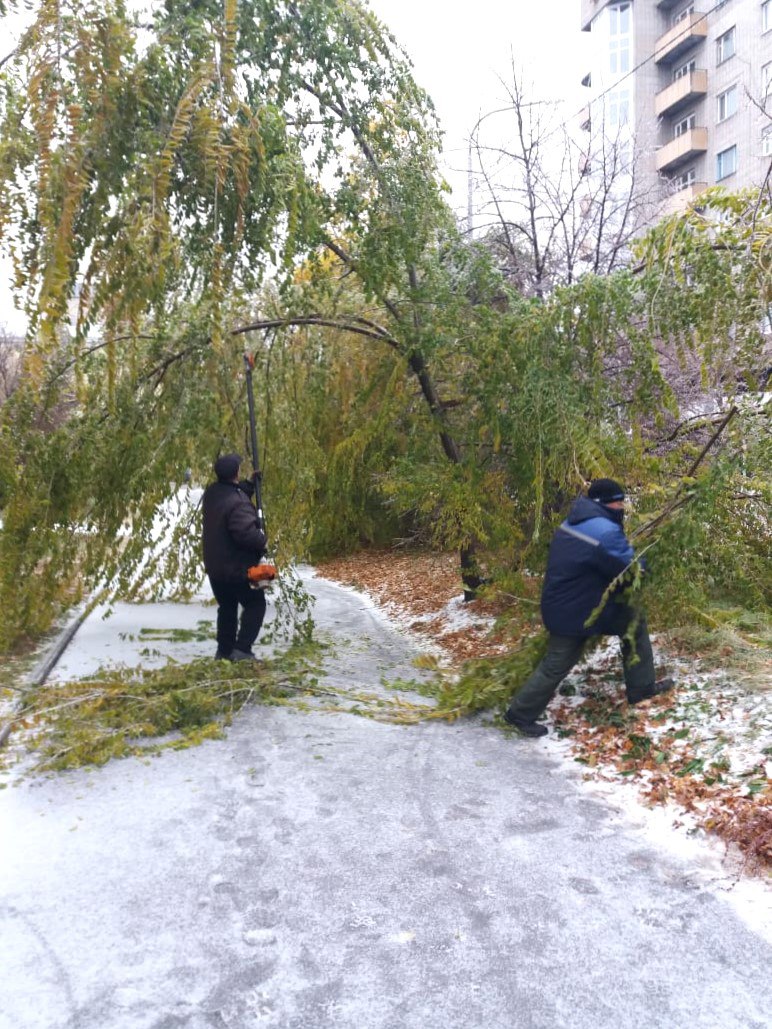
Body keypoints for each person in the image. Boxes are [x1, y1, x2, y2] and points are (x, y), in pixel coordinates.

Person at [504, 478, 673, 737]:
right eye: (619, 502)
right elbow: (630, 568)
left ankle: (642, 688)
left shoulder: (574, 522)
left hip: (571, 603)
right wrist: (646, 559)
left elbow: (598, 564)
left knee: (632, 622)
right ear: (604, 503)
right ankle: (519, 714)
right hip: (576, 610)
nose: (622, 506)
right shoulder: (604, 532)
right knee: (558, 662)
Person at [202, 453, 268, 662]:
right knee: (256, 603)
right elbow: (245, 533)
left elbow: (232, 498)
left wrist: (249, 485)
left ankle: (224, 651)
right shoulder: (238, 503)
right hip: (239, 568)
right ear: (236, 473)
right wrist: (262, 539)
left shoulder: (212, 493)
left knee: (227, 607)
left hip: (216, 568)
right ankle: (242, 650)